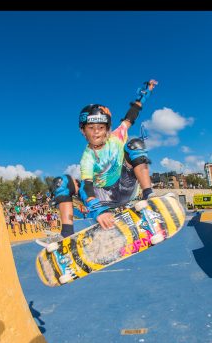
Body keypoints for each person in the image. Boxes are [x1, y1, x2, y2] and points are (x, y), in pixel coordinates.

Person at [37, 79, 158, 283]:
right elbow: (87, 186)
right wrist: (97, 210)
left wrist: (145, 93)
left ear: (108, 129)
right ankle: (66, 236)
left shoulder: (117, 136)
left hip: (125, 185)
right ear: (82, 131)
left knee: (135, 144)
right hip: (102, 198)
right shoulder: (86, 159)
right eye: (90, 128)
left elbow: (132, 116)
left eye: (100, 127)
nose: (96, 132)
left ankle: (150, 196)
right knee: (62, 182)